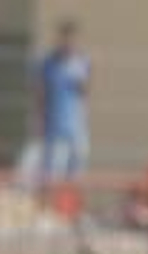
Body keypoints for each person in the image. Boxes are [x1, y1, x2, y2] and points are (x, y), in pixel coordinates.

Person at [32, 18, 91, 194]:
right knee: (52, 169)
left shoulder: (81, 62)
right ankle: (48, 209)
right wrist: (40, 120)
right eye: (64, 38)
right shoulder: (48, 63)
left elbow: (85, 92)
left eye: (71, 38)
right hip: (54, 124)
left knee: (76, 168)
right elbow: (41, 94)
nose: (68, 42)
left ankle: (71, 210)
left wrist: (77, 76)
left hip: (75, 124)